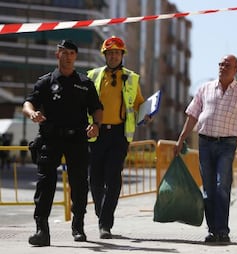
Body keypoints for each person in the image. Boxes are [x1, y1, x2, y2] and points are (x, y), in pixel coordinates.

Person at [174, 54, 237, 244]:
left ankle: (223, 231)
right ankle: (212, 231)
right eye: (221, 64)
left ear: (236, 69)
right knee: (208, 190)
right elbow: (192, 115)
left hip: (227, 144)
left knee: (221, 187)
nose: (222, 67)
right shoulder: (205, 88)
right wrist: (180, 139)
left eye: (227, 65)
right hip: (205, 143)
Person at [22, 40, 103, 246]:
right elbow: (28, 102)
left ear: (76, 56)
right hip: (51, 138)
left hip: (77, 139)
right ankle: (42, 231)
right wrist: (32, 113)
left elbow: (97, 108)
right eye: (64, 52)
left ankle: (78, 227)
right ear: (57, 55)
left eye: (71, 53)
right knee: (45, 183)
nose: (67, 56)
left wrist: (96, 125)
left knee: (79, 184)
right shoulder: (46, 82)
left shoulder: (84, 83)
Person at [87, 36, 147, 239]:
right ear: (104, 55)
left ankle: (105, 224)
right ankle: (101, 211)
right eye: (110, 53)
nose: (113, 56)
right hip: (97, 133)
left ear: (122, 55)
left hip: (119, 135)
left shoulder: (131, 78)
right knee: (94, 179)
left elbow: (139, 104)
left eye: (117, 53)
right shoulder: (92, 75)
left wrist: (146, 113)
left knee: (113, 179)